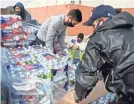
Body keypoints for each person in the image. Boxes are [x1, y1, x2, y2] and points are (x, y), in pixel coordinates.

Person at [75, 5, 134, 104]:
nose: (93, 29)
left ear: (101, 20)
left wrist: (78, 95)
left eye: (93, 24)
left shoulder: (100, 37)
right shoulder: (131, 31)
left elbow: (85, 75)